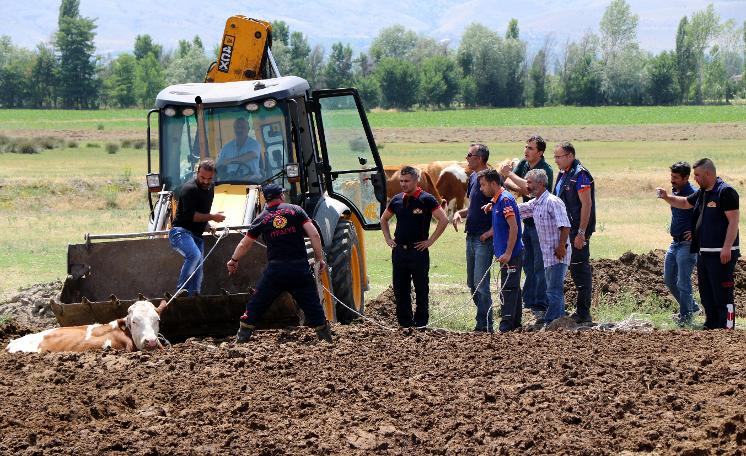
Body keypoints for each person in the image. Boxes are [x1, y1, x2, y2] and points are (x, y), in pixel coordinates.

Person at [227, 183, 333, 342]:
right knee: (312, 305)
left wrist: (234, 260)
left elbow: (245, 244)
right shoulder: (296, 210)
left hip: (276, 271)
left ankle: (241, 339)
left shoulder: (261, 218)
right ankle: (326, 340)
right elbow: (314, 235)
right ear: (281, 196)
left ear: (265, 199)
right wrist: (319, 259)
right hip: (299, 269)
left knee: (257, 303)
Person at [656, 158, 740, 330]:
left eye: (697, 175)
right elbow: (685, 203)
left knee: (723, 293)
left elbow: (734, 222)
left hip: (722, 252)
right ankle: (711, 325)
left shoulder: (726, 192)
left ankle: (728, 326)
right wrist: (666, 197)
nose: (695, 179)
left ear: (708, 174)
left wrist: (726, 247)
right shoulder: (703, 192)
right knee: (707, 292)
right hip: (704, 252)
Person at [381, 166, 449, 328]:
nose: (403, 184)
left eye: (407, 181)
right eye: (401, 181)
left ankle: (420, 323)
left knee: (421, 288)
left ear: (416, 180)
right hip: (399, 252)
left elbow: (444, 219)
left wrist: (430, 241)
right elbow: (384, 220)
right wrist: (388, 239)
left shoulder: (427, 199)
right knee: (400, 289)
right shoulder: (396, 199)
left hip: (418, 252)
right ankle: (404, 324)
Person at [500, 135, 555, 319]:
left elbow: (530, 190)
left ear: (540, 152)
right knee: (529, 264)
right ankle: (529, 300)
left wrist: (511, 176)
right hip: (527, 221)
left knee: (540, 264)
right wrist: (519, 184)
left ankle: (541, 303)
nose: (526, 150)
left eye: (531, 148)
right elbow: (508, 184)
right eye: (526, 147)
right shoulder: (523, 164)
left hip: (542, 223)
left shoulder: (545, 169)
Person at [516, 169, 571, 325]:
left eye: (529, 182)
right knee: (552, 290)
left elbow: (565, 226)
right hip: (548, 254)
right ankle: (558, 321)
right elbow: (517, 209)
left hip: (557, 253)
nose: (526, 186)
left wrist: (561, 246)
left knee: (553, 290)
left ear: (540, 184)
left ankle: (553, 321)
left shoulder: (553, 202)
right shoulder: (536, 203)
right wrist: (497, 205)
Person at [452, 143, 495, 332]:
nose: (467, 158)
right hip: (470, 236)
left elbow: (500, 205)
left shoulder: (492, 178)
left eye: (469, 155)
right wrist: (459, 214)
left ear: (479, 158)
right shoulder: (473, 178)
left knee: (481, 283)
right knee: (472, 283)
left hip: (483, 239)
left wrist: (491, 232)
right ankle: (483, 320)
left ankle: (484, 325)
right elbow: (473, 208)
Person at [168, 159, 226, 296]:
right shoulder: (189, 189)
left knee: (198, 271)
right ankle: (181, 291)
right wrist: (212, 217)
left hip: (196, 236)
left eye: (209, 179)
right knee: (194, 255)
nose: (206, 181)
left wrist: (207, 224)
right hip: (180, 233)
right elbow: (190, 216)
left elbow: (202, 211)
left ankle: (193, 297)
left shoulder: (211, 188)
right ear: (197, 173)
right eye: (202, 177)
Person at [553, 142, 596, 324]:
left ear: (570, 156)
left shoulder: (580, 174)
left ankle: (583, 312)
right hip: (565, 230)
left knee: (580, 270)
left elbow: (586, 205)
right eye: (554, 157)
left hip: (576, 231)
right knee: (571, 269)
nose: (556, 160)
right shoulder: (564, 173)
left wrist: (581, 233)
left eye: (559, 157)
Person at [478, 168, 524, 332]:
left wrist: (508, 253)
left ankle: (506, 325)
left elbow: (514, 228)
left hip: (511, 253)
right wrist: (492, 206)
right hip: (506, 253)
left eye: (483, 185)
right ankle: (516, 323)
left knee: (508, 288)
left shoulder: (505, 200)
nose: (481, 188)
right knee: (513, 287)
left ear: (493, 183)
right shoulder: (498, 200)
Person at [659, 161, 700, 326]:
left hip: (687, 245)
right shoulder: (676, 192)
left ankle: (686, 317)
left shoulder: (693, 194)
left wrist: (697, 233)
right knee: (669, 279)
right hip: (675, 243)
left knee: (683, 281)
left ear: (686, 178)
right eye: (671, 176)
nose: (672, 180)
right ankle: (692, 307)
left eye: (675, 177)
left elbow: (707, 216)